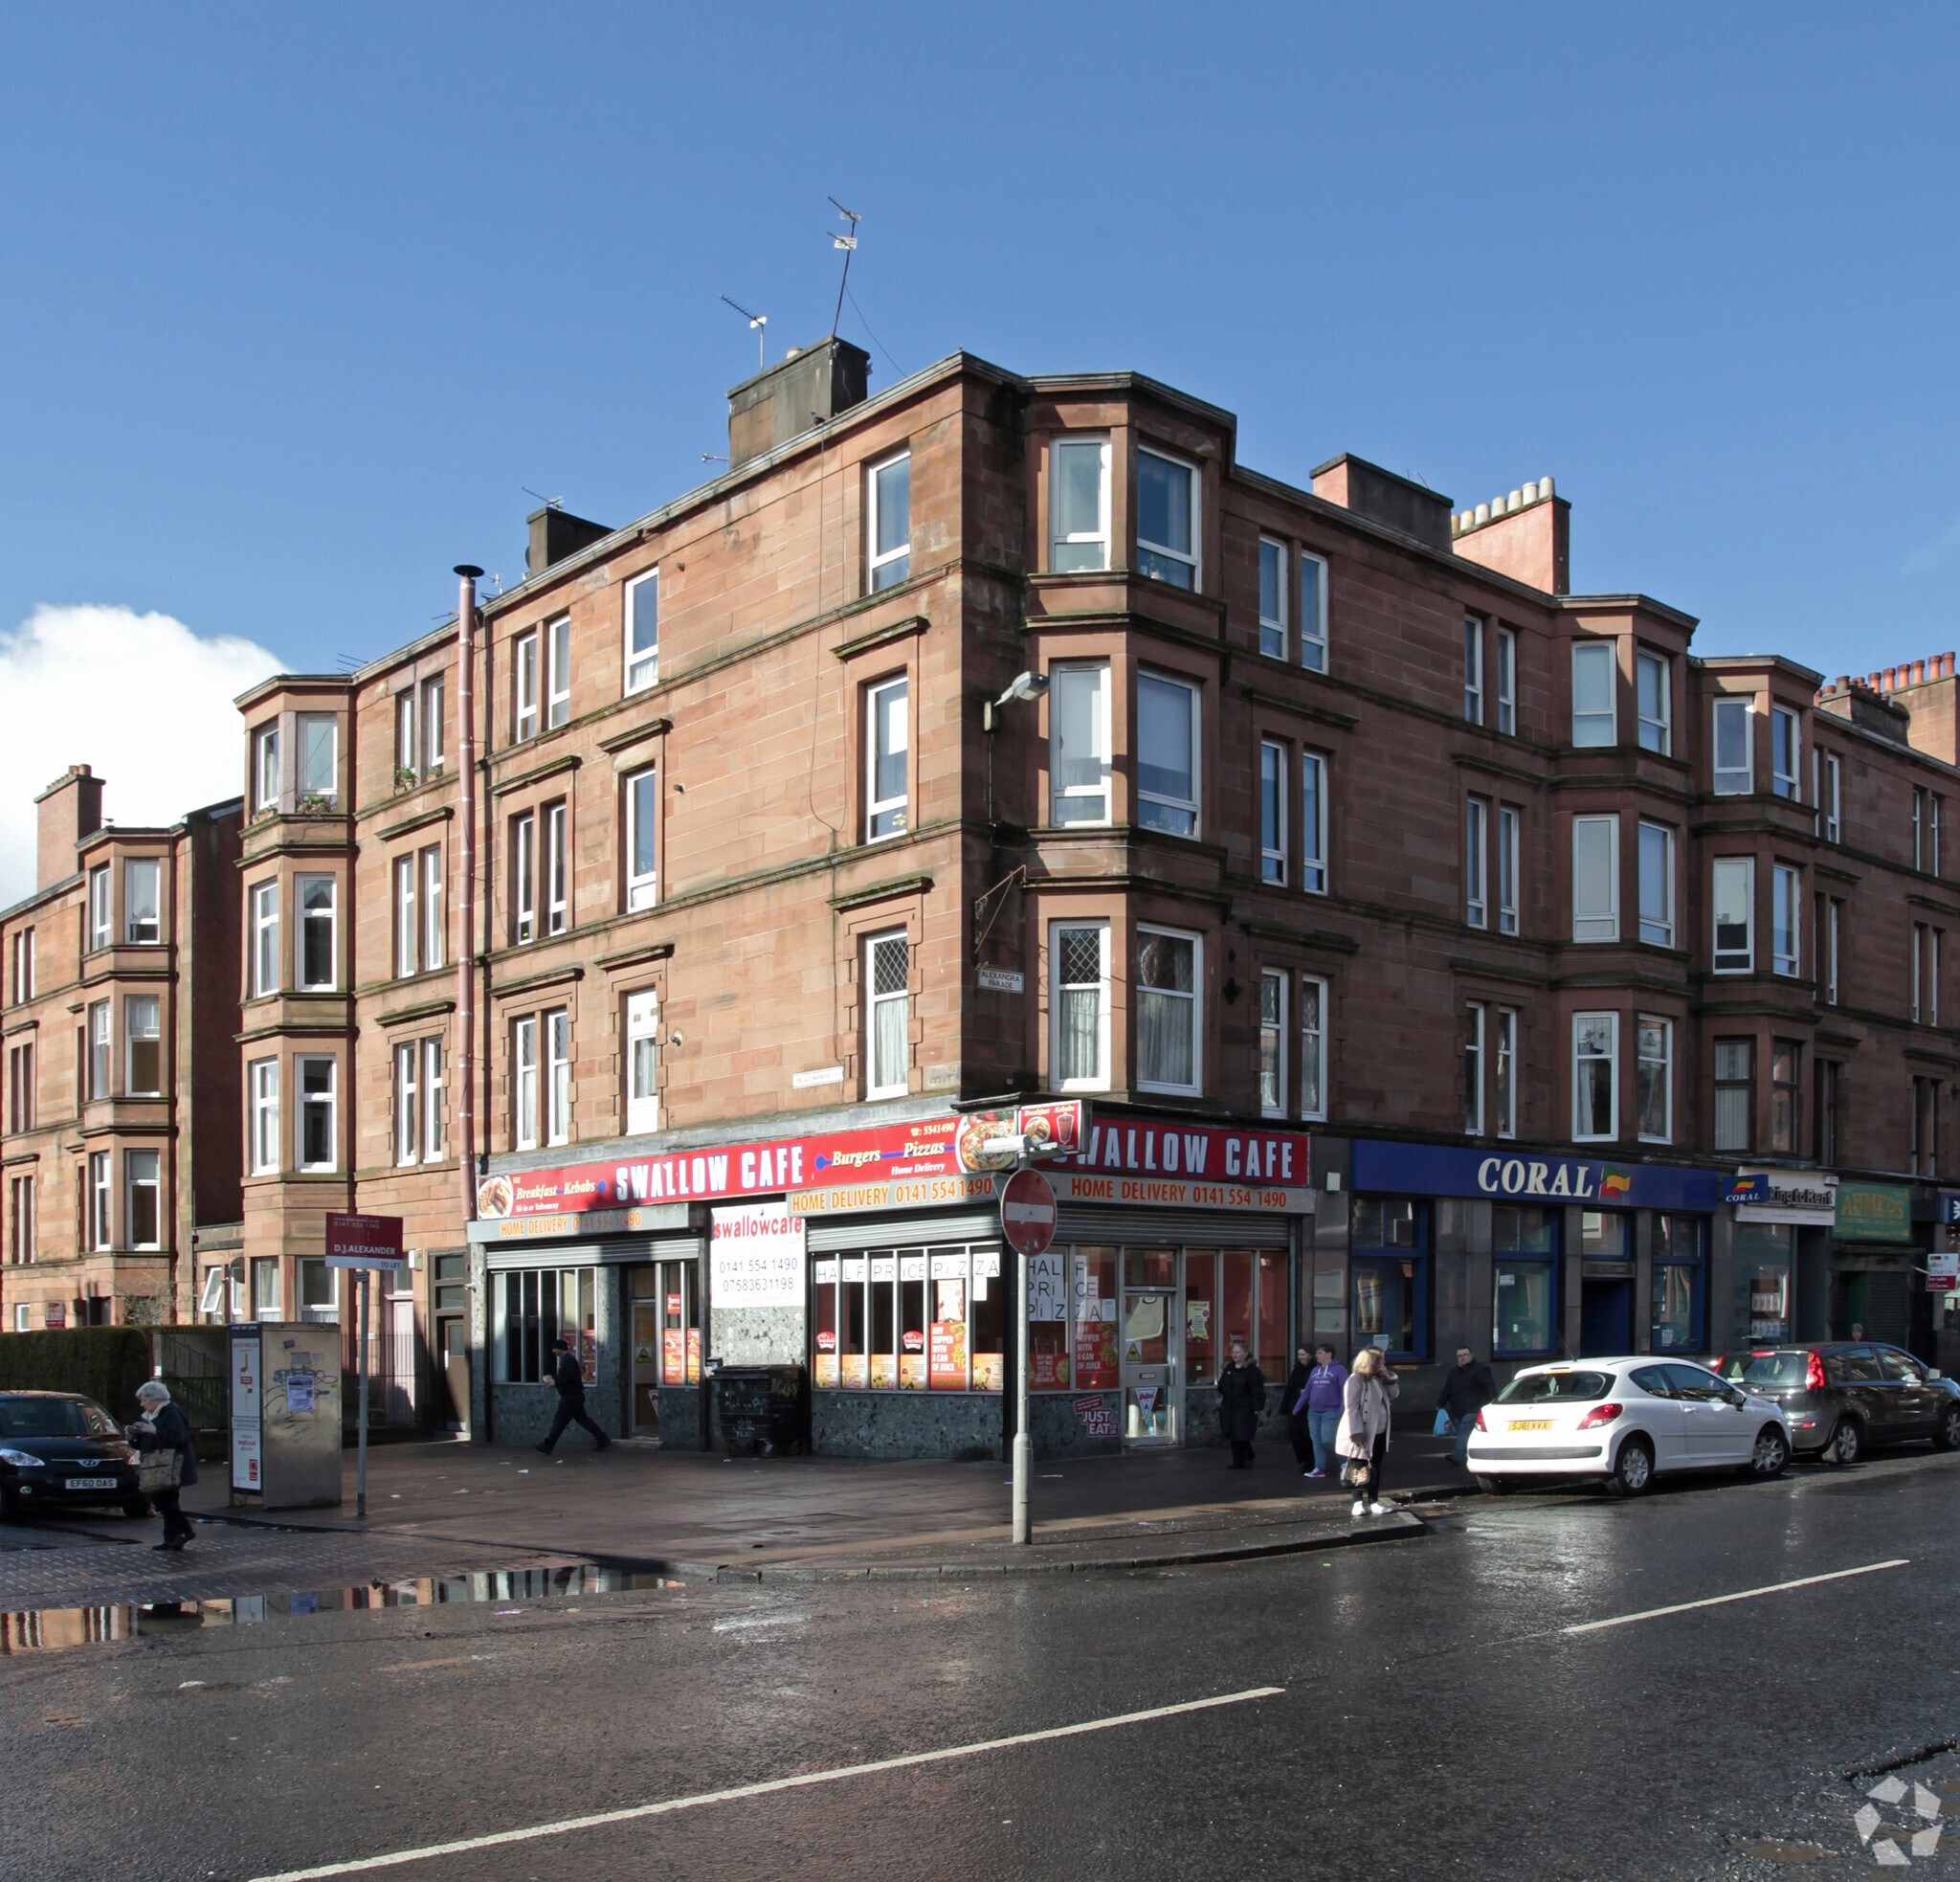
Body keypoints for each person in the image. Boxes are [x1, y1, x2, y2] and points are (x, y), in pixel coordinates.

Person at [130, 1379, 197, 1552]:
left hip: (170, 1465)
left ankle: (184, 1531)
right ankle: (172, 1538)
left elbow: (179, 1438)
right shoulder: (149, 1416)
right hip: (155, 1465)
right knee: (165, 1501)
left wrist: (155, 1431)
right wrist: (134, 1437)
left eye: (145, 1400)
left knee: (165, 1501)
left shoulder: (171, 1412)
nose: (142, 1404)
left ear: (156, 1400)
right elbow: (144, 1443)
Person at [1336, 1346, 1400, 1517]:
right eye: (1381, 1360)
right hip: (1362, 1431)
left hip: (1379, 1430)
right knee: (1358, 1466)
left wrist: (1388, 1377)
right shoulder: (1355, 1379)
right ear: (1371, 1362)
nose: (1384, 1363)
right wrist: (1356, 1431)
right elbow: (1351, 1407)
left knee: (1374, 1467)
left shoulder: (1378, 1378)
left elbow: (1393, 1395)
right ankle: (1357, 1503)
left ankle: (1374, 1501)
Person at [537, 1336, 612, 1455]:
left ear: (560, 1348)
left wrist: (556, 1382)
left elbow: (570, 1378)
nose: (553, 1352)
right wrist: (555, 1380)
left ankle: (548, 1444)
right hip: (574, 1396)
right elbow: (568, 1377)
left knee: (560, 1421)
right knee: (582, 1420)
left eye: (554, 1349)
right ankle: (602, 1439)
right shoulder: (567, 1359)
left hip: (570, 1397)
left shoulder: (567, 1360)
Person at [1437, 1346, 1497, 1467]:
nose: (1462, 1357)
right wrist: (1440, 1403)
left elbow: (1490, 1388)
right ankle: (1475, 1455)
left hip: (1474, 1408)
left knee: (1464, 1432)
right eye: (1459, 1355)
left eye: (1465, 1354)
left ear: (1471, 1355)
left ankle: (1457, 1456)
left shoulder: (1480, 1370)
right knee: (1465, 1434)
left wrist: (1491, 1404)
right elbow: (1447, 1389)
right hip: (1458, 1410)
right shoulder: (1454, 1372)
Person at [1298, 1344, 1348, 1479]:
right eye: (1317, 1353)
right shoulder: (1315, 1370)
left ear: (1329, 1354)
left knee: (1328, 1440)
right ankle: (1319, 1468)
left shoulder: (1339, 1369)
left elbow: (1345, 1390)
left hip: (1331, 1410)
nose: (1317, 1356)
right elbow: (1308, 1390)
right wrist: (1297, 1407)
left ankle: (1345, 1461)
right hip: (1314, 1410)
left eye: (1320, 1353)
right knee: (1316, 1440)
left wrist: (1343, 1409)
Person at [1216, 1338, 1267, 1469]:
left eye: (1238, 1352)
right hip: (1229, 1406)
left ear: (1245, 1354)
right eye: (1233, 1352)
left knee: (1242, 1435)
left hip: (1245, 1407)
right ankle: (1237, 1462)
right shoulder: (1228, 1369)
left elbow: (1257, 1390)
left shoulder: (1252, 1371)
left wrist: (1256, 1408)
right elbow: (1222, 1386)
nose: (1235, 1355)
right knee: (1232, 1435)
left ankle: (1249, 1456)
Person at [1281, 1346, 1316, 1470]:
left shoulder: (1316, 1369)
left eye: (1303, 1354)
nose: (1300, 1357)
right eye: (1299, 1354)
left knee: (1308, 1435)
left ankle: (1310, 1461)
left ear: (1310, 1355)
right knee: (1295, 1433)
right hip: (1295, 1405)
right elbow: (1289, 1388)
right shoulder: (1296, 1370)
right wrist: (1284, 1406)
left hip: (1310, 1406)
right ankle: (1302, 1459)